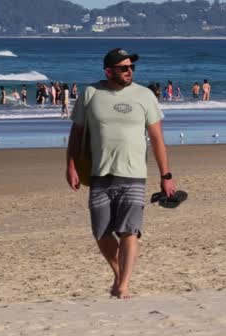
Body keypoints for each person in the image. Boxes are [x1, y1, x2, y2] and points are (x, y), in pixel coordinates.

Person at [66, 48, 176, 300]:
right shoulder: (91, 94)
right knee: (101, 231)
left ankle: (124, 285)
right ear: (108, 71)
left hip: (134, 174)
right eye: (124, 68)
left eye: (132, 68)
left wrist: (166, 175)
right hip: (100, 174)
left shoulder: (145, 95)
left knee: (129, 230)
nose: (130, 72)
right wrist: (70, 166)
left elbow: (157, 139)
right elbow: (76, 134)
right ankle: (118, 274)